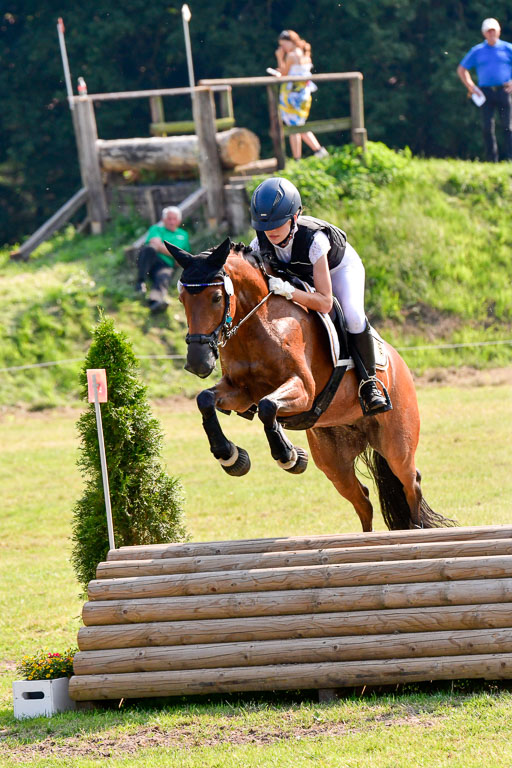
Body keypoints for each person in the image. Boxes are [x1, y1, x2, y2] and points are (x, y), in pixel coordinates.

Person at [249, 177, 392, 416]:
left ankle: (369, 383)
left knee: (354, 316)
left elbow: (325, 303)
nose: (270, 231)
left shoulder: (315, 240)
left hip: (338, 269)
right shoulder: (259, 242)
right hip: (300, 272)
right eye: (265, 226)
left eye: (278, 223)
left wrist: (290, 292)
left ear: (294, 217)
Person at [457, 17, 512, 162]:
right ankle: (491, 160)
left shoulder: (507, 48)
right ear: (484, 33)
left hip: (503, 91)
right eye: (489, 31)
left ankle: (510, 158)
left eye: (494, 30)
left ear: (499, 31)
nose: (491, 34)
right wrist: (471, 86)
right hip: (485, 92)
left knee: (508, 126)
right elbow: (462, 69)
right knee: (487, 127)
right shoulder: (477, 51)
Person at [274, 30, 328, 161]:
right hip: (303, 95)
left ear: (290, 41)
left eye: (284, 44)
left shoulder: (292, 56)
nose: (283, 48)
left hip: (292, 96)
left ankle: (301, 157)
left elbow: (284, 75)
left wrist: (279, 58)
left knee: (295, 127)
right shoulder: (304, 54)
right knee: (298, 125)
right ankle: (318, 152)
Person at [136, 206, 190, 313]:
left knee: (163, 276)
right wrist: (173, 253)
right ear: (164, 220)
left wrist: (161, 247)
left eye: (174, 219)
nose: (171, 221)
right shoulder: (156, 228)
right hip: (150, 259)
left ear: (178, 221)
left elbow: (183, 255)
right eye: (169, 219)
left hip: (165, 265)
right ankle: (140, 282)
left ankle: (155, 301)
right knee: (149, 249)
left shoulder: (183, 235)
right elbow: (153, 244)